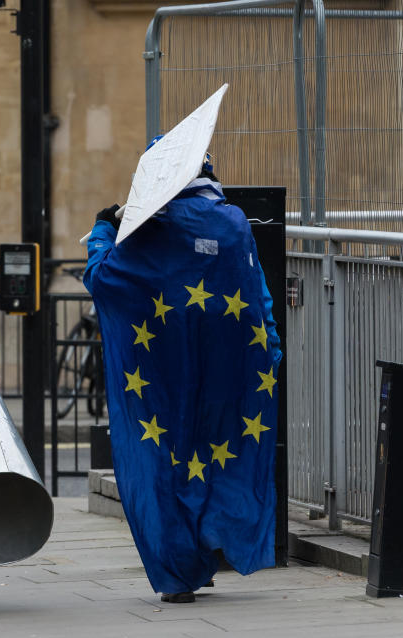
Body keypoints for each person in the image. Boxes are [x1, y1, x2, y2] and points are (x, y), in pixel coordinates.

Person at [83, 147, 281, 604]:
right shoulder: (233, 223)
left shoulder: (148, 228)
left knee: (164, 459)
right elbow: (257, 292)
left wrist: (103, 229)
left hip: (160, 372)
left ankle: (178, 571)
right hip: (227, 367)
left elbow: (102, 278)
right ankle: (208, 546)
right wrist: (270, 346)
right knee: (214, 452)